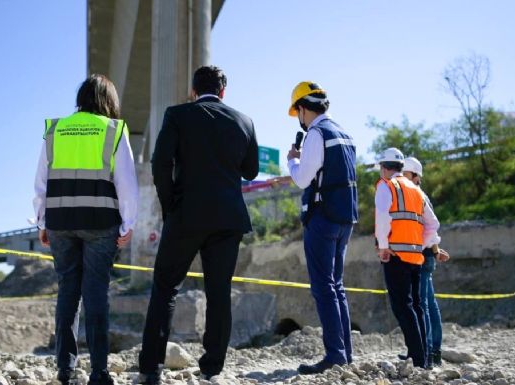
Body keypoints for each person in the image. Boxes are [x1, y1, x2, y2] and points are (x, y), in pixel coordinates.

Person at [137, 65, 259, 384]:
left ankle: (151, 367)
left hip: (186, 215)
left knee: (165, 287)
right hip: (228, 218)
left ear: (193, 90)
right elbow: (251, 171)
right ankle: (212, 367)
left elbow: (160, 162)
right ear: (223, 92)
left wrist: (169, 206)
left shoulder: (177, 115)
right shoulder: (244, 121)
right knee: (219, 292)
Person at [33, 74, 138, 385]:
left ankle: (65, 369)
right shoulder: (113, 130)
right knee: (95, 294)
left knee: (68, 292)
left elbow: (41, 181)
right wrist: (127, 223)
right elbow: (128, 185)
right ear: (109, 101)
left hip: (61, 223)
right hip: (100, 223)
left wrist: (42, 221)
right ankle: (99, 372)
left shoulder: (55, 129)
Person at [286, 81, 358, 374]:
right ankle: (345, 353)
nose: (298, 119)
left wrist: (292, 161)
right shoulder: (344, 134)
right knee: (337, 287)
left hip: (323, 219)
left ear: (303, 108)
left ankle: (335, 355)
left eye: (297, 112)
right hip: (345, 219)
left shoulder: (315, 134)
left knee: (323, 287)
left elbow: (303, 179)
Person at [374, 147, 440, 369]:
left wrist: (383, 246)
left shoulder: (386, 186)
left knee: (403, 307)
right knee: (417, 307)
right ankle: (423, 358)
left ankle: (419, 360)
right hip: (415, 256)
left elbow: (383, 217)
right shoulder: (417, 190)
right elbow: (432, 224)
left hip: (395, 255)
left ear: (384, 168)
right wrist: (419, 245)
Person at [402, 156, 450, 367]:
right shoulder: (419, 195)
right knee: (428, 303)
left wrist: (433, 250)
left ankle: (427, 352)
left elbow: (430, 227)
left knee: (423, 306)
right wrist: (437, 250)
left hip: (420, 256)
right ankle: (433, 351)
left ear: (414, 176)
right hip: (426, 254)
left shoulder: (416, 195)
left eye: (404, 174)